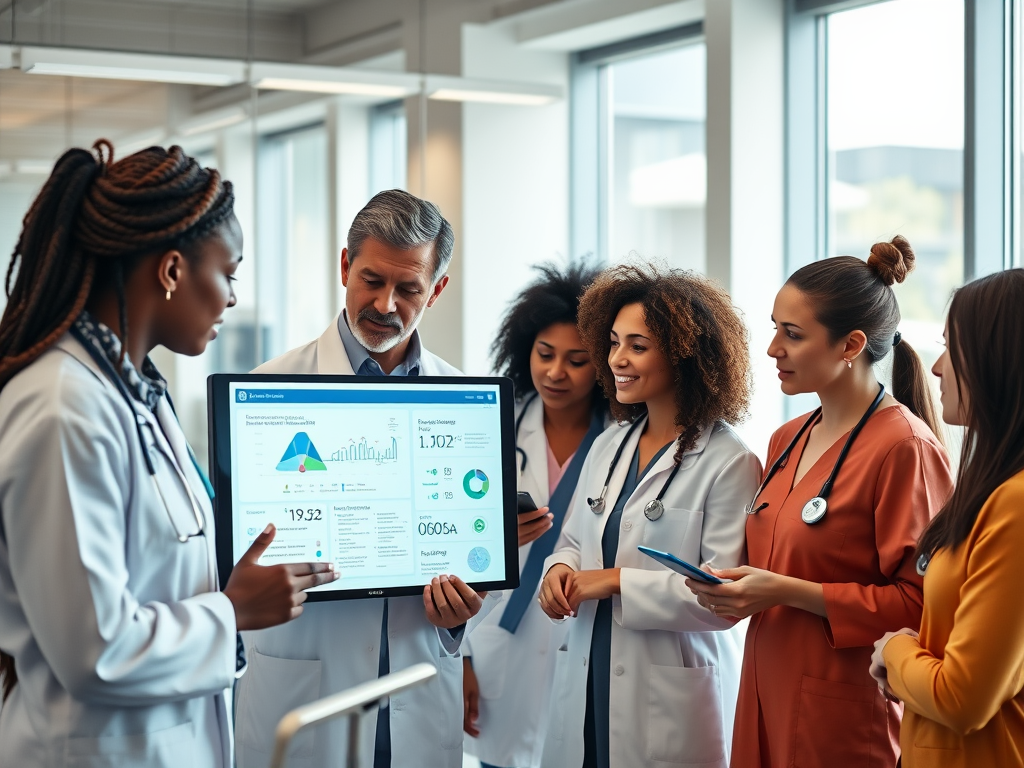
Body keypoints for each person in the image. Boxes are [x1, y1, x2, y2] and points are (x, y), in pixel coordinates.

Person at [0, 141, 335, 768]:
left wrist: (230, 582)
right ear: (174, 270)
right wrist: (231, 612)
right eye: (228, 273)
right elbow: (95, 648)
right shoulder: (63, 407)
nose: (233, 299)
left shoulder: (140, 397)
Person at [235, 189, 494, 768]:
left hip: (417, 691)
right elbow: (242, 564)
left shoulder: (465, 403)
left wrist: (458, 620)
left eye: (409, 289)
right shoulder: (266, 389)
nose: (385, 304)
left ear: (438, 289)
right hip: (304, 688)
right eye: (372, 279)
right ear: (345, 266)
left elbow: (465, 556)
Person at [687, 236, 955, 768]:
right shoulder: (786, 439)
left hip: (842, 711)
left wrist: (786, 591)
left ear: (851, 345)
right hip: (764, 693)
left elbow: (926, 606)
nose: (771, 350)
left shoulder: (905, 448)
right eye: (774, 328)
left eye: (793, 334)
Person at [537, 263, 761, 768]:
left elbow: (721, 598)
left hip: (666, 691)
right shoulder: (609, 443)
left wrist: (614, 581)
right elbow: (573, 540)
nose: (617, 359)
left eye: (637, 346)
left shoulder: (730, 461)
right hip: (589, 667)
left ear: (684, 355)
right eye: (614, 342)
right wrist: (560, 572)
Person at [869, 268, 1024, 768]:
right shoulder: (995, 489)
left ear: (1000, 361)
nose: (937, 368)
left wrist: (896, 651)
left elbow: (962, 699)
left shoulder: (1017, 505)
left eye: (951, 347)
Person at [462, 259, 607, 768]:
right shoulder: (493, 430)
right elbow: (454, 547)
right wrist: (462, 659)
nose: (555, 372)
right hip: (496, 640)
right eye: (544, 354)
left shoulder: (623, 443)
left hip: (584, 640)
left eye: (577, 359)